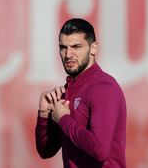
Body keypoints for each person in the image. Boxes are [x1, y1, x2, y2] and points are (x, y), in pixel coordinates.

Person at [35, 18, 127, 168]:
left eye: (76, 46)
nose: (68, 54)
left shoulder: (104, 88)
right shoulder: (69, 90)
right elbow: (46, 151)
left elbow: (100, 150)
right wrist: (44, 115)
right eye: (63, 47)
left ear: (93, 48)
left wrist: (63, 119)